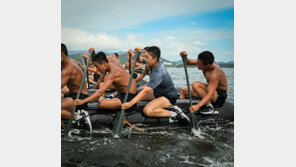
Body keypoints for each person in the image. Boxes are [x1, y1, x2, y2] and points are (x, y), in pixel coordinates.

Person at [121, 46, 189, 121]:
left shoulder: (159, 72)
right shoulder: (152, 61)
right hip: (157, 93)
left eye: (147, 58)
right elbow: (139, 59)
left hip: (168, 97)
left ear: (155, 58)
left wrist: (130, 103)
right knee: (135, 95)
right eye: (145, 57)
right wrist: (138, 53)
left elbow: (146, 91)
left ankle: (175, 113)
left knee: (147, 111)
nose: (145, 60)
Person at [74, 51, 138, 111]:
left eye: (97, 66)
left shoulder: (111, 74)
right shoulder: (111, 62)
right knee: (102, 84)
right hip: (122, 92)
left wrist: (83, 101)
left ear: (104, 64)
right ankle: (110, 97)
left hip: (129, 97)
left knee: (100, 104)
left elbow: (100, 92)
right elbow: (102, 58)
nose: (97, 70)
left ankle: (105, 99)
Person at [180, 50, 228, 114]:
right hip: (212, 92)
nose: (197, 64)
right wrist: (184, 56)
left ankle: (209, 107)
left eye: (199, 64)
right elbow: (188, 62)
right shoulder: (202, 61)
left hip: (219, 96)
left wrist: (198, 106)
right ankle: (180, 111)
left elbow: (210, 93)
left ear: (208, 65)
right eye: (197, 62)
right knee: (184, 90)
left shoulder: (214, 73)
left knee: (195, 84)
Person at [61, 43, 91, 127]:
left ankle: (79, 118)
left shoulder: (68, 69)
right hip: (74, 94)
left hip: (79, 98)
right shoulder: (71, 60)